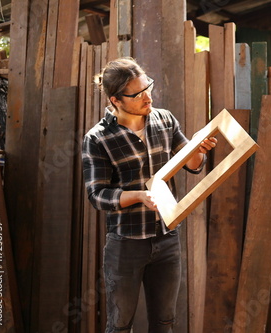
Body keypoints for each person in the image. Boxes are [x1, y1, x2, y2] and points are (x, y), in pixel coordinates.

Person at [82, 57, 217, 332]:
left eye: (148, 87)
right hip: (125, 244)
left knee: (164, 322)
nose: (147, 97)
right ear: (116, 100)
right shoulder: (97, 138)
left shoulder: (165, 120)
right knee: (120, 325)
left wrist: (198, 152)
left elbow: (191, 166)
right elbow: (97, 195)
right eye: (137, 93)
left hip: (167, 239)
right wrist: (139, 196)